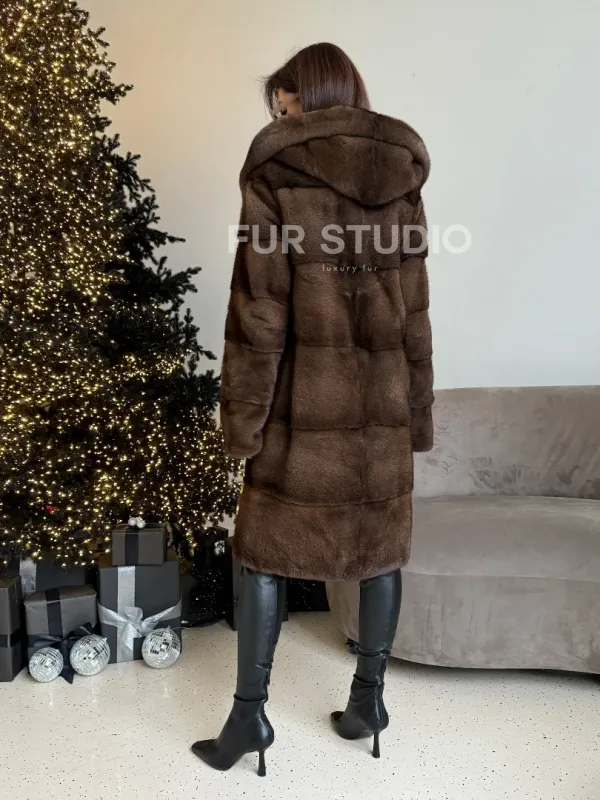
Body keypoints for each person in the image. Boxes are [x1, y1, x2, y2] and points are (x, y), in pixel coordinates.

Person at [192, 42, 434, 777]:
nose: (280, 116)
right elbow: (414, 310)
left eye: (285, 102)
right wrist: (416, 412)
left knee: (262, 556)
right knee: (379, 552)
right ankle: (368, 706)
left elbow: (260, 313)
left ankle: (248, 719)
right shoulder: (400, 177)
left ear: (311, 96)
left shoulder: (278, 170)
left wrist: (242, 422)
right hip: (380, 411)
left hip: (302, 410)